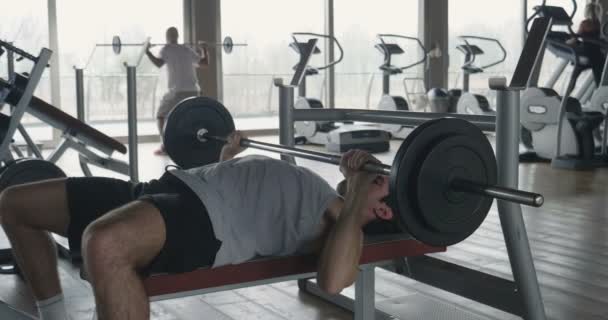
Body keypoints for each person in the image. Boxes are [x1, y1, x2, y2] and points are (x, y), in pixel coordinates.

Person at [0, 131, 396, 320]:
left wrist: (358, 194)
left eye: (379, 179)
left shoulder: (343, 221)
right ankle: (51, 315)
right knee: (14, 203)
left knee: (103, 244)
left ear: (382, 210)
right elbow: (248, 190)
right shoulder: (327, 196)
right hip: (163, 189)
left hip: (204, 220)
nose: (371, 173)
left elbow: (332, 281)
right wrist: (226, 157)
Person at [146, 27, 209, 155]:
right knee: (190, 119)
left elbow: (158, 63)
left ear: (167, 37)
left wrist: (147, 51)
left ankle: (165, 146)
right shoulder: (186, 49)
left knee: (160, 115)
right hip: (193, 91)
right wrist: (204, 49)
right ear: (178, 36)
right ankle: (191, 145)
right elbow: (205, 63)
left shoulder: (166, 49)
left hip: (177, 91)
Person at [566, 2, 605, 93]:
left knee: (574, 76)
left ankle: (566, 95)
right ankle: (600, 96)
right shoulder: (599, 24)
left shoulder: (584, 23)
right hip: (597, 55)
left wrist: (567, 42)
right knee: (599, 79)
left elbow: (574, 40)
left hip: (587, 53)